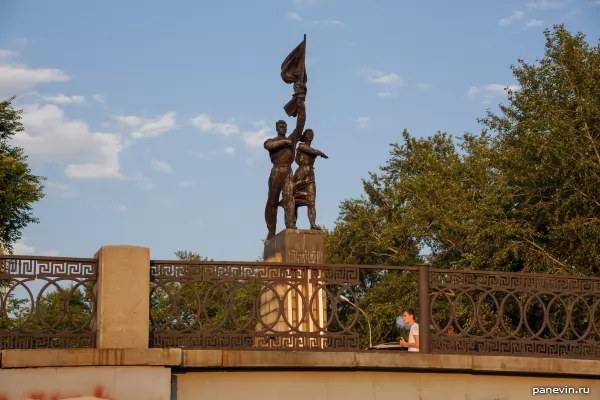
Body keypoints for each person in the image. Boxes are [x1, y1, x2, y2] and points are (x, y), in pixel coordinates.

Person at [263, 98, 306, 240]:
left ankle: (290, 224)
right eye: (281, 127)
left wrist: (301, 108)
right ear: (277, 128)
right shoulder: (272, 141)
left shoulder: (292, 139)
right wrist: (284, 141)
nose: (283, 129)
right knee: (272, 201)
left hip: (287, 170)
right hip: (276, 171)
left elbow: (300, 126)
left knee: (289, 198)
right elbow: (268, 146)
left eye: (285, 127)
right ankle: (271, 230)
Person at [281, 129, 328, 229]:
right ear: (304, 136)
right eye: (308, 134)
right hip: (301, 174)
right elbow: (312, 151)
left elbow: (313, 151)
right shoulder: (302, 146)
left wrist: (319, 153)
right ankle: (292, 224)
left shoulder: (309, 148)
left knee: (311, 201)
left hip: (310, 174)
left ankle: (313, 224)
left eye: (312, 134)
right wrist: (320, 153)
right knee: (294, 200)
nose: (310, 136)